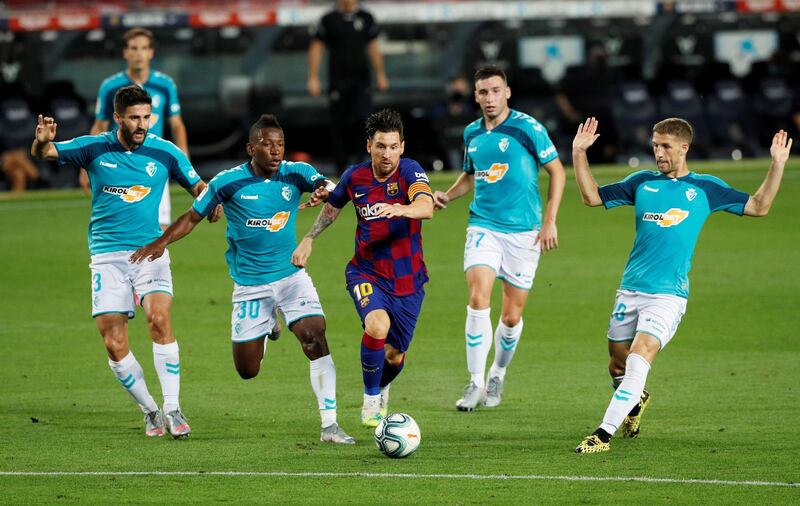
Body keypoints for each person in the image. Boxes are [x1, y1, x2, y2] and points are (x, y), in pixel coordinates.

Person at [130, 114, 356, 444]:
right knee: (247, 370)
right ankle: (268, 325)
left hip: (291, 277)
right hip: (250, 286)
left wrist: (325, 190)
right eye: (267, 144)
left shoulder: (296, 173)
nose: (276, 151)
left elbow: (330, 186)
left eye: (280, 144)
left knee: (314, 336)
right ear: (251, 148)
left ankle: (330, 425)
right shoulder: (227, 182)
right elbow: (193, 217)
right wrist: (160, 242)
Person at [571, 117, 792, 454]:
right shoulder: (642, 182)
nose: (658, 152)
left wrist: (776, 165)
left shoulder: (706, 189)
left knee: (637, 356)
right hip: (630, 289)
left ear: (684, 148)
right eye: (655, 145)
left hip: (668, 295)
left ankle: (602, 435)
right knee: (616, 364)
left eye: (665, 147)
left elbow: (759, 207)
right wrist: (578, 153)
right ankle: (636, 397)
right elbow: (590, 198)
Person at [31, 85, 216, 438]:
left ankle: (173, 407)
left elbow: (198, 187)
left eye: (146, 117)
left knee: (159, 319)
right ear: (118, 118)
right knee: (114, 344)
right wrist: (41, 141)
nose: (142, 124)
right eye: (134, 118)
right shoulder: (94, 147)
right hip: (107, 256)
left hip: (150, 251)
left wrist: (212, 202)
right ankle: (150, 409)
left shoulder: (166, 152)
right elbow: (46, 152)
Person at [432, 65, 566, 412]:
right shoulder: (472, 133)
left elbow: (557, 172)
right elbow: (471, 176)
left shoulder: (527, 128)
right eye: (483, 92)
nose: (489, 98)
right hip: (483, 226)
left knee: (510, 317)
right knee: (478, 296)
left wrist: (549, 221)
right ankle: (475, 382)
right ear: (475, 96)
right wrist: (447, 194)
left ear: (507, 92)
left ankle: (497, 373)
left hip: (524, 232)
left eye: (495, 91)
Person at [292, 109, 433, 427]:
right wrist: (309, 238)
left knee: (394, 354)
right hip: (366, 271)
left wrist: (401, 209)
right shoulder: (355, 177)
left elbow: (426, 207)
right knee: (377, 326)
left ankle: (382, 385)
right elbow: (333, 205)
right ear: (369, 145)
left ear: (402, 147)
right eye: (381, 146)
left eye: (393, 146)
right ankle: (371, 400)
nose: (387, 154)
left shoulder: (410, 173)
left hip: (408, 278)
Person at [81, 27, 189, 229]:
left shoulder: (165, 85)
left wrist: (184, 158)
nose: (139, 53)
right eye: (133, 48)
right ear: (125, 52)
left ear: (151, 52)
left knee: (160, 226)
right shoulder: (110, 86)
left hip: (154, 161)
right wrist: (85, 165)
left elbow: (177, 124)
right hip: (118, 161)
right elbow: (100, 124)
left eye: (144, 48)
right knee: (120, 223)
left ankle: (153, 261)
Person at [308, 0, 389, 174]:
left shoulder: (366, 18)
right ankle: (341, 167)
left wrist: (380, 74)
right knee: (339, 124)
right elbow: (317, 47)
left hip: (361, 81)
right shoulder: (328, 19)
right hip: (338, 81)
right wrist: (313, 77)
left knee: (364, 121)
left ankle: (362, 163)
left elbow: (374, 47)